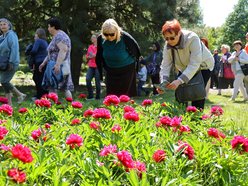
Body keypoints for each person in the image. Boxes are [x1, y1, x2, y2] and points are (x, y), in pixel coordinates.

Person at [158, 19, 214, 109]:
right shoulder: (167, 45)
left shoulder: (192, 38)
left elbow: (194, 64)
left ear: (179, 33)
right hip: (184, 68)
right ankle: (180, 119)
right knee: (180, 95)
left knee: (197, 94)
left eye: (172, 38)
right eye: (166, 38)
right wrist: (163, 83)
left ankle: (197, 120)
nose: (169, 41)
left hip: (203, 67)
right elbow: (165, 65)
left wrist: (179, 80)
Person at [96, 18, 141, 97]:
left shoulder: (125, 37)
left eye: (112, 34)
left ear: (117, 31)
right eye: (106, 34)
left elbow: (136, 53)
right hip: (110, 70)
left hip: (127, 70)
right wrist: (101, 72)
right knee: (111, 96)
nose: (109, 37)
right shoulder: (100, 39)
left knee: (125, 97)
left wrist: (136, 69)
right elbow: (99, 55)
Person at [39, 17, 74, 99]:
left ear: (53, 27)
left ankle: (53, 107)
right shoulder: (58, 36)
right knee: (64, 88)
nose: (48, 29)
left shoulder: (59, 36)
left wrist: (57, 65)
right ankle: (70, 106)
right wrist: (44, 63)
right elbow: (51, 52)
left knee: (53, 86)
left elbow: (63, 50)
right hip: (57, 65)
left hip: (58, 66)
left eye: (49, 26)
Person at [0, 18, 26, 105]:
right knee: (4, 83)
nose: (2, 26)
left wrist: (11, 62)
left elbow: (14, 48)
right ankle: (9, 104)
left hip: (11, 62)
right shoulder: (2, 37)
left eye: (4, 24)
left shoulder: (11, 35)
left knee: (4, 81)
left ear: (9, 25)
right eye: (1, 25)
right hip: (3, 63)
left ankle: (20, 94)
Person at [28, 28, 49, 100]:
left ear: (38, 34)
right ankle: (43, 94)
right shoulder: (45, 42)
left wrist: (29, 52)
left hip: (39, 62)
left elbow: (34, 51)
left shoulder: (38, 41)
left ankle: (40, 95)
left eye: (36, 34)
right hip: (45, 62)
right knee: (41, 78)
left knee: (37, 79)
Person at [85, 34, 101, 100]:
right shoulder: (90, 47)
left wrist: (93, 56)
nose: (91, 39)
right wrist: (91, 57)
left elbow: (99, 56)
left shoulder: (100, 47)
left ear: (97, 39)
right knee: (88, 79)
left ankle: (97, 97)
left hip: (98, 66)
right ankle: (90, 96)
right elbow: (87, 57)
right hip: (91, 66)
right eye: (91, 38)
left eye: (93, 38)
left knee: (97, 82)